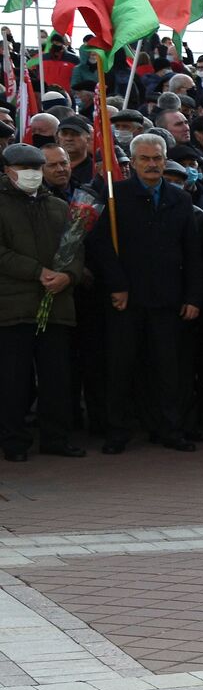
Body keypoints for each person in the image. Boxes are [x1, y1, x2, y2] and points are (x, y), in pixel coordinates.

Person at [88, 134, 203, 454]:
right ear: (134, 162)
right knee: (121, 368)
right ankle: (118, 431)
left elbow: (192, 251)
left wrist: (193, 296)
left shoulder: (179, 199)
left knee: (168, 370)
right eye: (145, 159)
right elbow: (100, 246)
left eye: (157, 158)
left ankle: (168, 428)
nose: (152, 164)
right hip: (127, 300)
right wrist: (117, 286)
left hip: (168, 299)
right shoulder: (116, 197)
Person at [0, 144, 86, 461]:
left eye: (37, 169)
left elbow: (75, 249)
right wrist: (37, 272)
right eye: (25, 169)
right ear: (8, 171)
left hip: (56, 305)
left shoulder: (58, 207)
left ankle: (56, 438)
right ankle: (14, 441)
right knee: (14, 381)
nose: (32, 175)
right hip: (13, 308)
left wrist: (69, 276)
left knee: (57, 378)